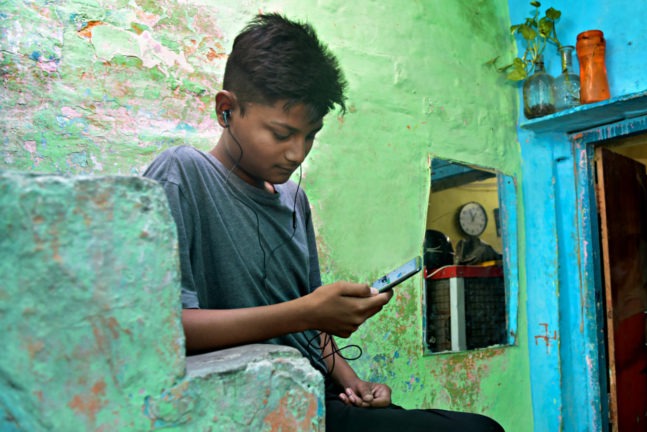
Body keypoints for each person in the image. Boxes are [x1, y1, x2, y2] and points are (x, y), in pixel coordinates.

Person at [143, 13, 504, 432]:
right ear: (227, 109)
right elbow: (166, 329)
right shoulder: (181, 174)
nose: (298, 153)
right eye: (281, 134)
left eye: (310, 135)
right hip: (253, 402)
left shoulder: (295, 199)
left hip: (318, 393)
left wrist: (357, 385)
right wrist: (305, 312)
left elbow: (310, 327)